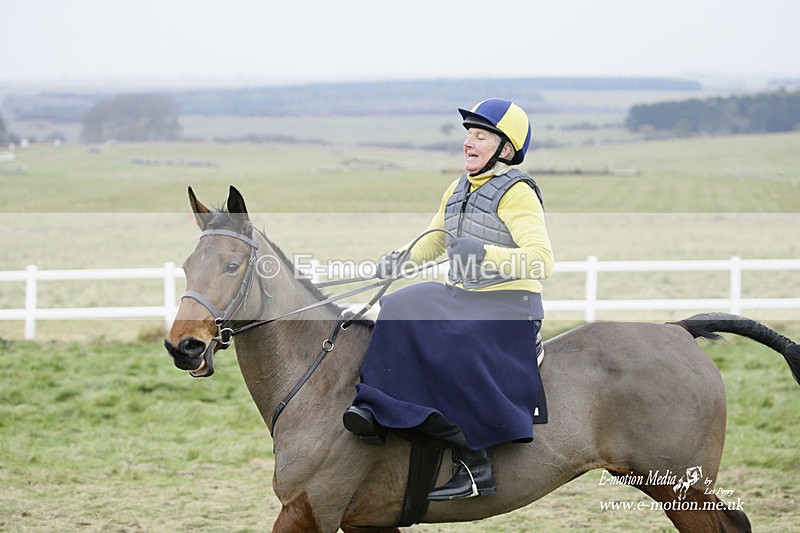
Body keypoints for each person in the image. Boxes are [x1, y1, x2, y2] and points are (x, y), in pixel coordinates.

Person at [343, 98, 554, 501]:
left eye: (481, 136)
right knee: (401, 305)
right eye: (468, 135)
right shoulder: (457, 189)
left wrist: (484, 253)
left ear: (505, 150)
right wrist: (397, 262)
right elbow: (435, 240)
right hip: (464, 297)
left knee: (447, 344)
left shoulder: (518, 193)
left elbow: (542, 261)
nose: (468, 143)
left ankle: (476, 465)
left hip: (510, 307)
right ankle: (375, 408)